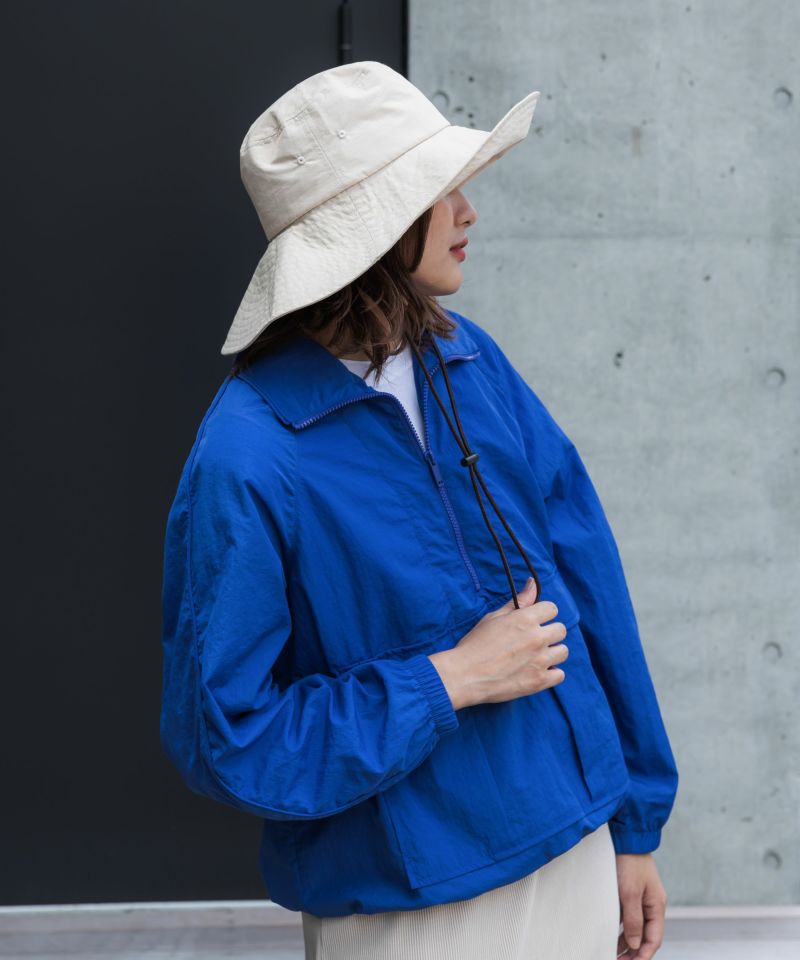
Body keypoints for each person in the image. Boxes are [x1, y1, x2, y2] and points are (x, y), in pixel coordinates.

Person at [159, 61, 679, 960]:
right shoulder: (251, 453)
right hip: (411, 908)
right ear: (379, 224)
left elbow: (588, 580)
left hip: (577, 847)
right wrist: (448, 681)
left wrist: (634, 824)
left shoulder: (469, 360)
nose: (468, 212)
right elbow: (228, 736)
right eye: (441, 192)